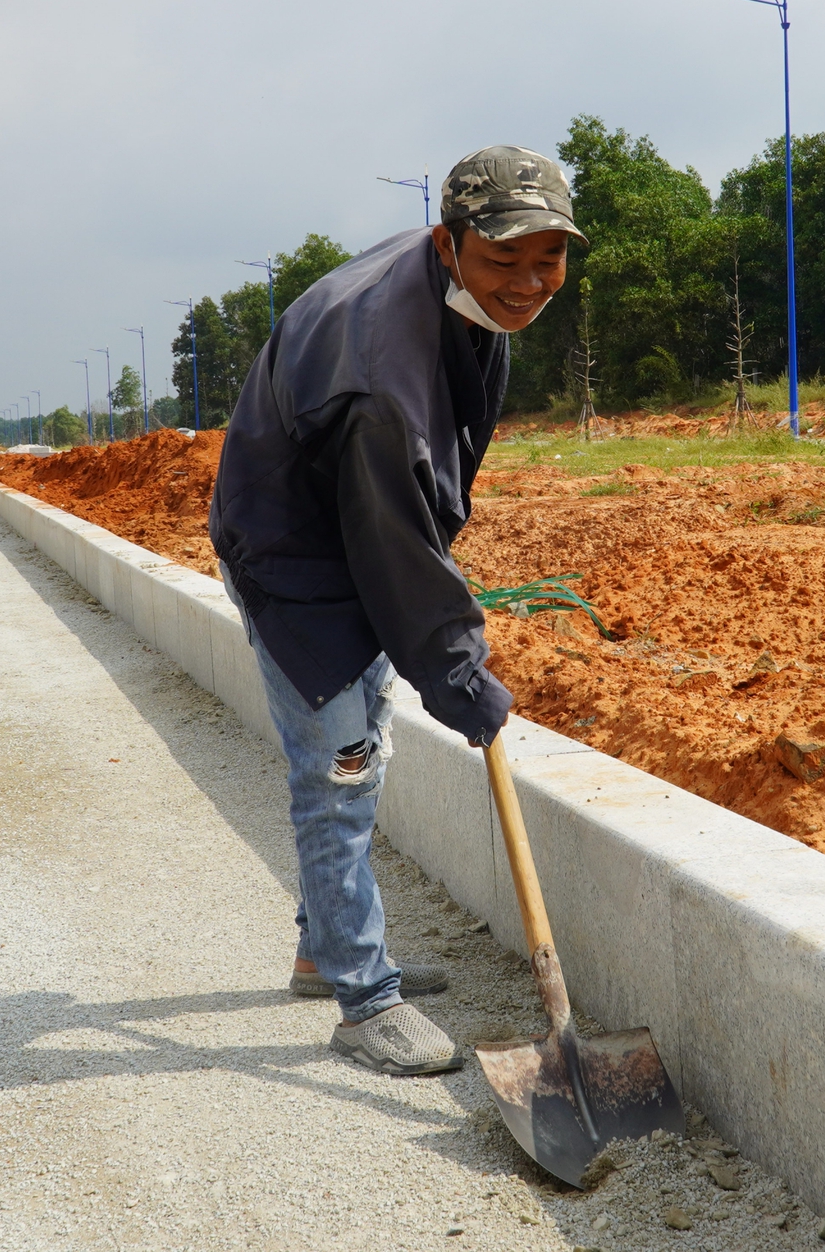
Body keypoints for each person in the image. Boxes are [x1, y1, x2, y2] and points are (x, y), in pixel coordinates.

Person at [208, 146, 579, 1076]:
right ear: (451, 244)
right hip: (296, 556)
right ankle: (363, 998)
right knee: (341, 766)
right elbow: (392, 538)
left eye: (550, 258)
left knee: (365, 740)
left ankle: (321, 947)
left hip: (351, 519)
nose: (530, 282)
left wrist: (431, 616)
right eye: (506, 260)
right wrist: (458, 675)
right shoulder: (378, 379)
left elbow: (417, 500)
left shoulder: (460, 293)